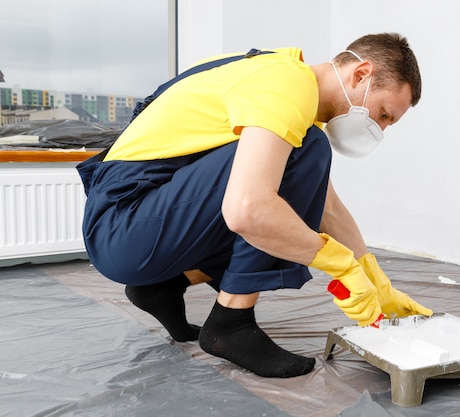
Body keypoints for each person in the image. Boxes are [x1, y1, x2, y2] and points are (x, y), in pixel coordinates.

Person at [77, 32, 432, 379]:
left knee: (302, 160)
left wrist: (376, 280)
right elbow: (247, 209)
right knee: (304, 154)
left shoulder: (281, 78)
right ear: (361, 75)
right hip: (123, 223)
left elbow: (329, 208)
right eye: (384, 114)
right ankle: (230, 323)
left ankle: (165, 287)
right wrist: (341, 267)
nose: (380, 129)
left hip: (133, 219)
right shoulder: (288, 85)